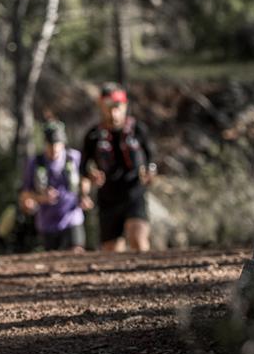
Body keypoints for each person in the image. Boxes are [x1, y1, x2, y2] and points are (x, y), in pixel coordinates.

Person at [82, 84, 157, 252]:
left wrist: (151, 171)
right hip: (108, 197)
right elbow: (83, 167)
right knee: (111, 250)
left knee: (138, 240)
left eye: (117, 107)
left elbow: (151, 157)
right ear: (101, 106)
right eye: (108, 107)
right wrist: (89, 181)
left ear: (124, 106)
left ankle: (147, 276)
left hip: (134, 193)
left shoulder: (137, 130)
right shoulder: (93, 135)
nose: (113, 113)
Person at [18, 119, 90, 252]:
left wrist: (84, 195)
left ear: (63, 143)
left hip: (72, 218)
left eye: (58, 144)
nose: (54, 149)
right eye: (50, 145)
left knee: (76, 254)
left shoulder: (74, 157)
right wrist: (41, 198)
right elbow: (24, 194)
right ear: (45, 144)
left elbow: (85, 180)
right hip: (47, 224)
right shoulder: (35, 162)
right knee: (55, 261)